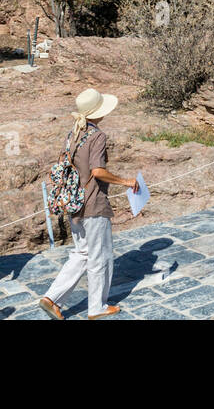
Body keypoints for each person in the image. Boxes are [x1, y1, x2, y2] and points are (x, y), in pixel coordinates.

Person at [39, 90, 138, 319]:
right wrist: (125, 181)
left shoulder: (73, 133)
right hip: (93, 202)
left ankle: (52, 298)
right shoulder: (97, 136)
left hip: (74, 203)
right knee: (100, 256)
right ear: (98, 112)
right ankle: (97, 307)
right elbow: (97, 171)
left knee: (81, 253)